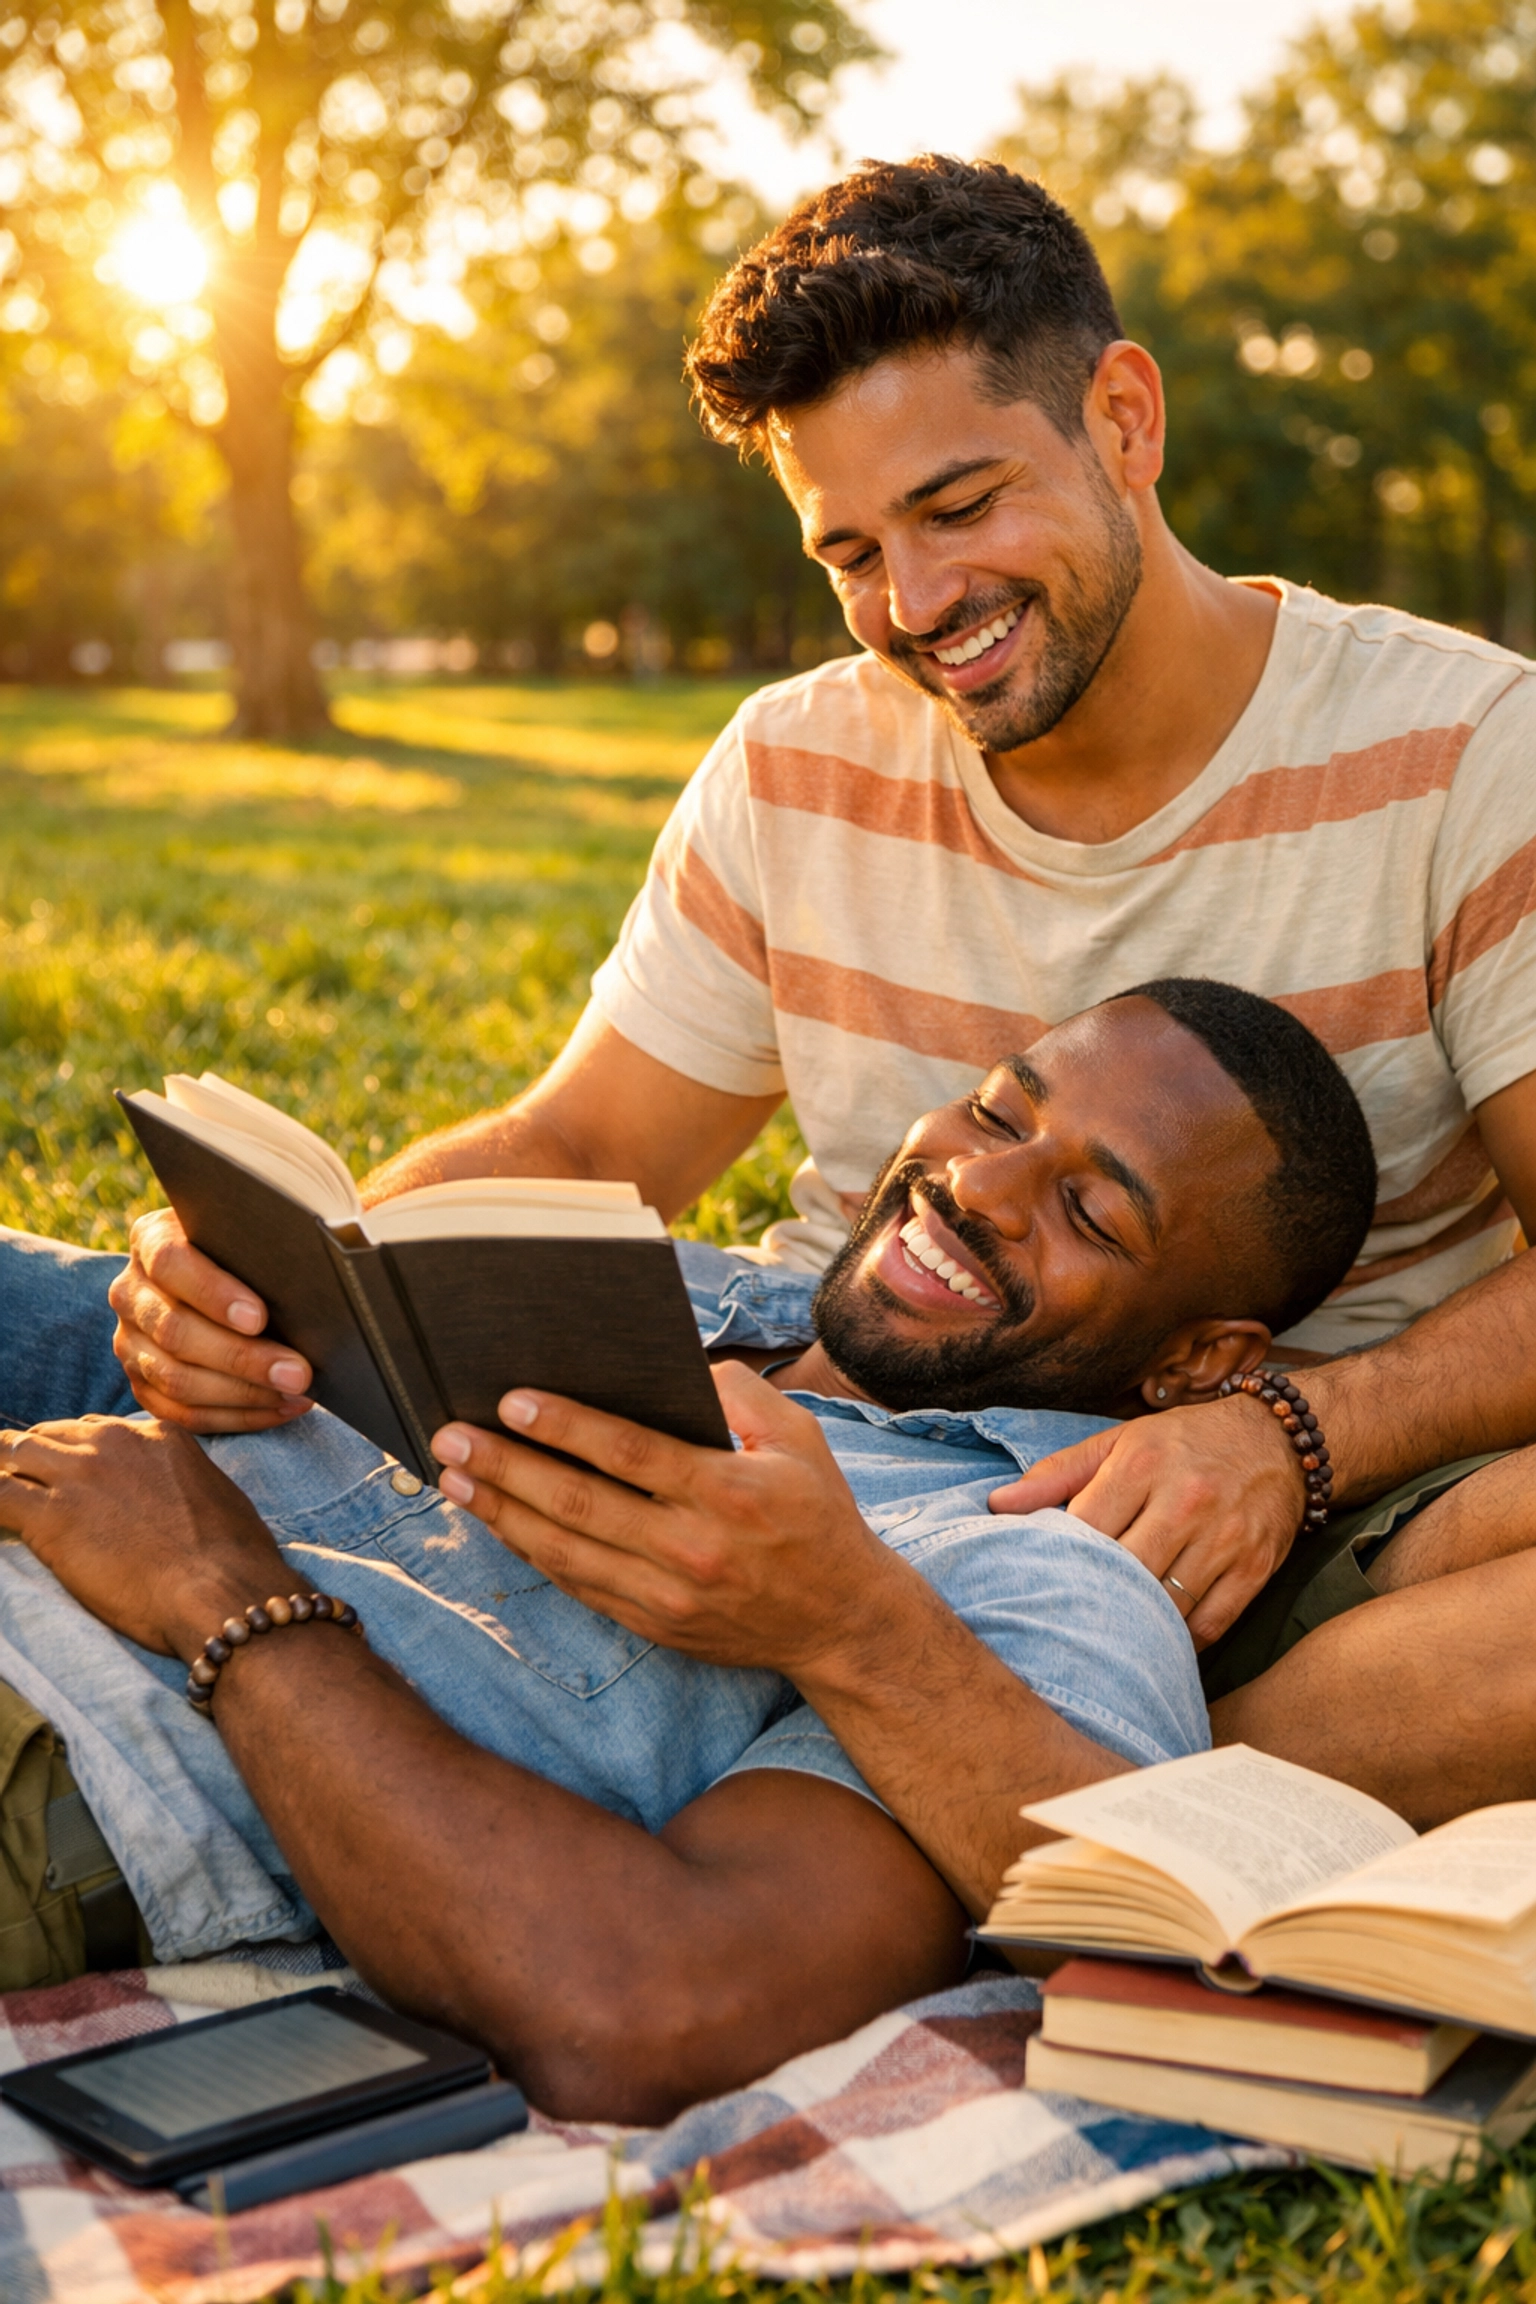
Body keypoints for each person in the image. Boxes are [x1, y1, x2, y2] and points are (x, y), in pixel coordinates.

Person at [9, 158, 1536, 1646]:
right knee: (62, 1315)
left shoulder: (1470, 755)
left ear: (1124, 418)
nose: (918, 606)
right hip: (779, 1363)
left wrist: (1290, 1434)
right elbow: (587, 1145)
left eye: (960, 507)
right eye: (853, 551)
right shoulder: (799, 757)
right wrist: (277, 1291)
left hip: (1089, 1511)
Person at [0, 981, 1380, 2123]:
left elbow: (643, 2010)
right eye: (999, 1109)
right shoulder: (693, 1284)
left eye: (1091, 1212)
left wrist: (221, 1592)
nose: (977, 1184)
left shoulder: (1031, 1573)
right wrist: (185, 1318)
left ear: (1197, 1359)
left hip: (54, 1743)